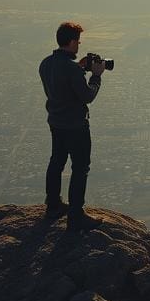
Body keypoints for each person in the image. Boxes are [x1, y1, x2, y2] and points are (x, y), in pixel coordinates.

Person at [39, 21, 106, 232]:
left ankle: (53, 205)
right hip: (76, 126)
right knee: (80, 168)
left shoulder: (46, 63)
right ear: (71, 42)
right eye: (78, 41)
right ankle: (76, 216)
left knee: (56, 162)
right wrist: (95, 75)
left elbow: (59, 88)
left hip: (56, 123)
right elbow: (87, 96)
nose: (79, 45)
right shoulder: (70, 69)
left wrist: (79, 68)